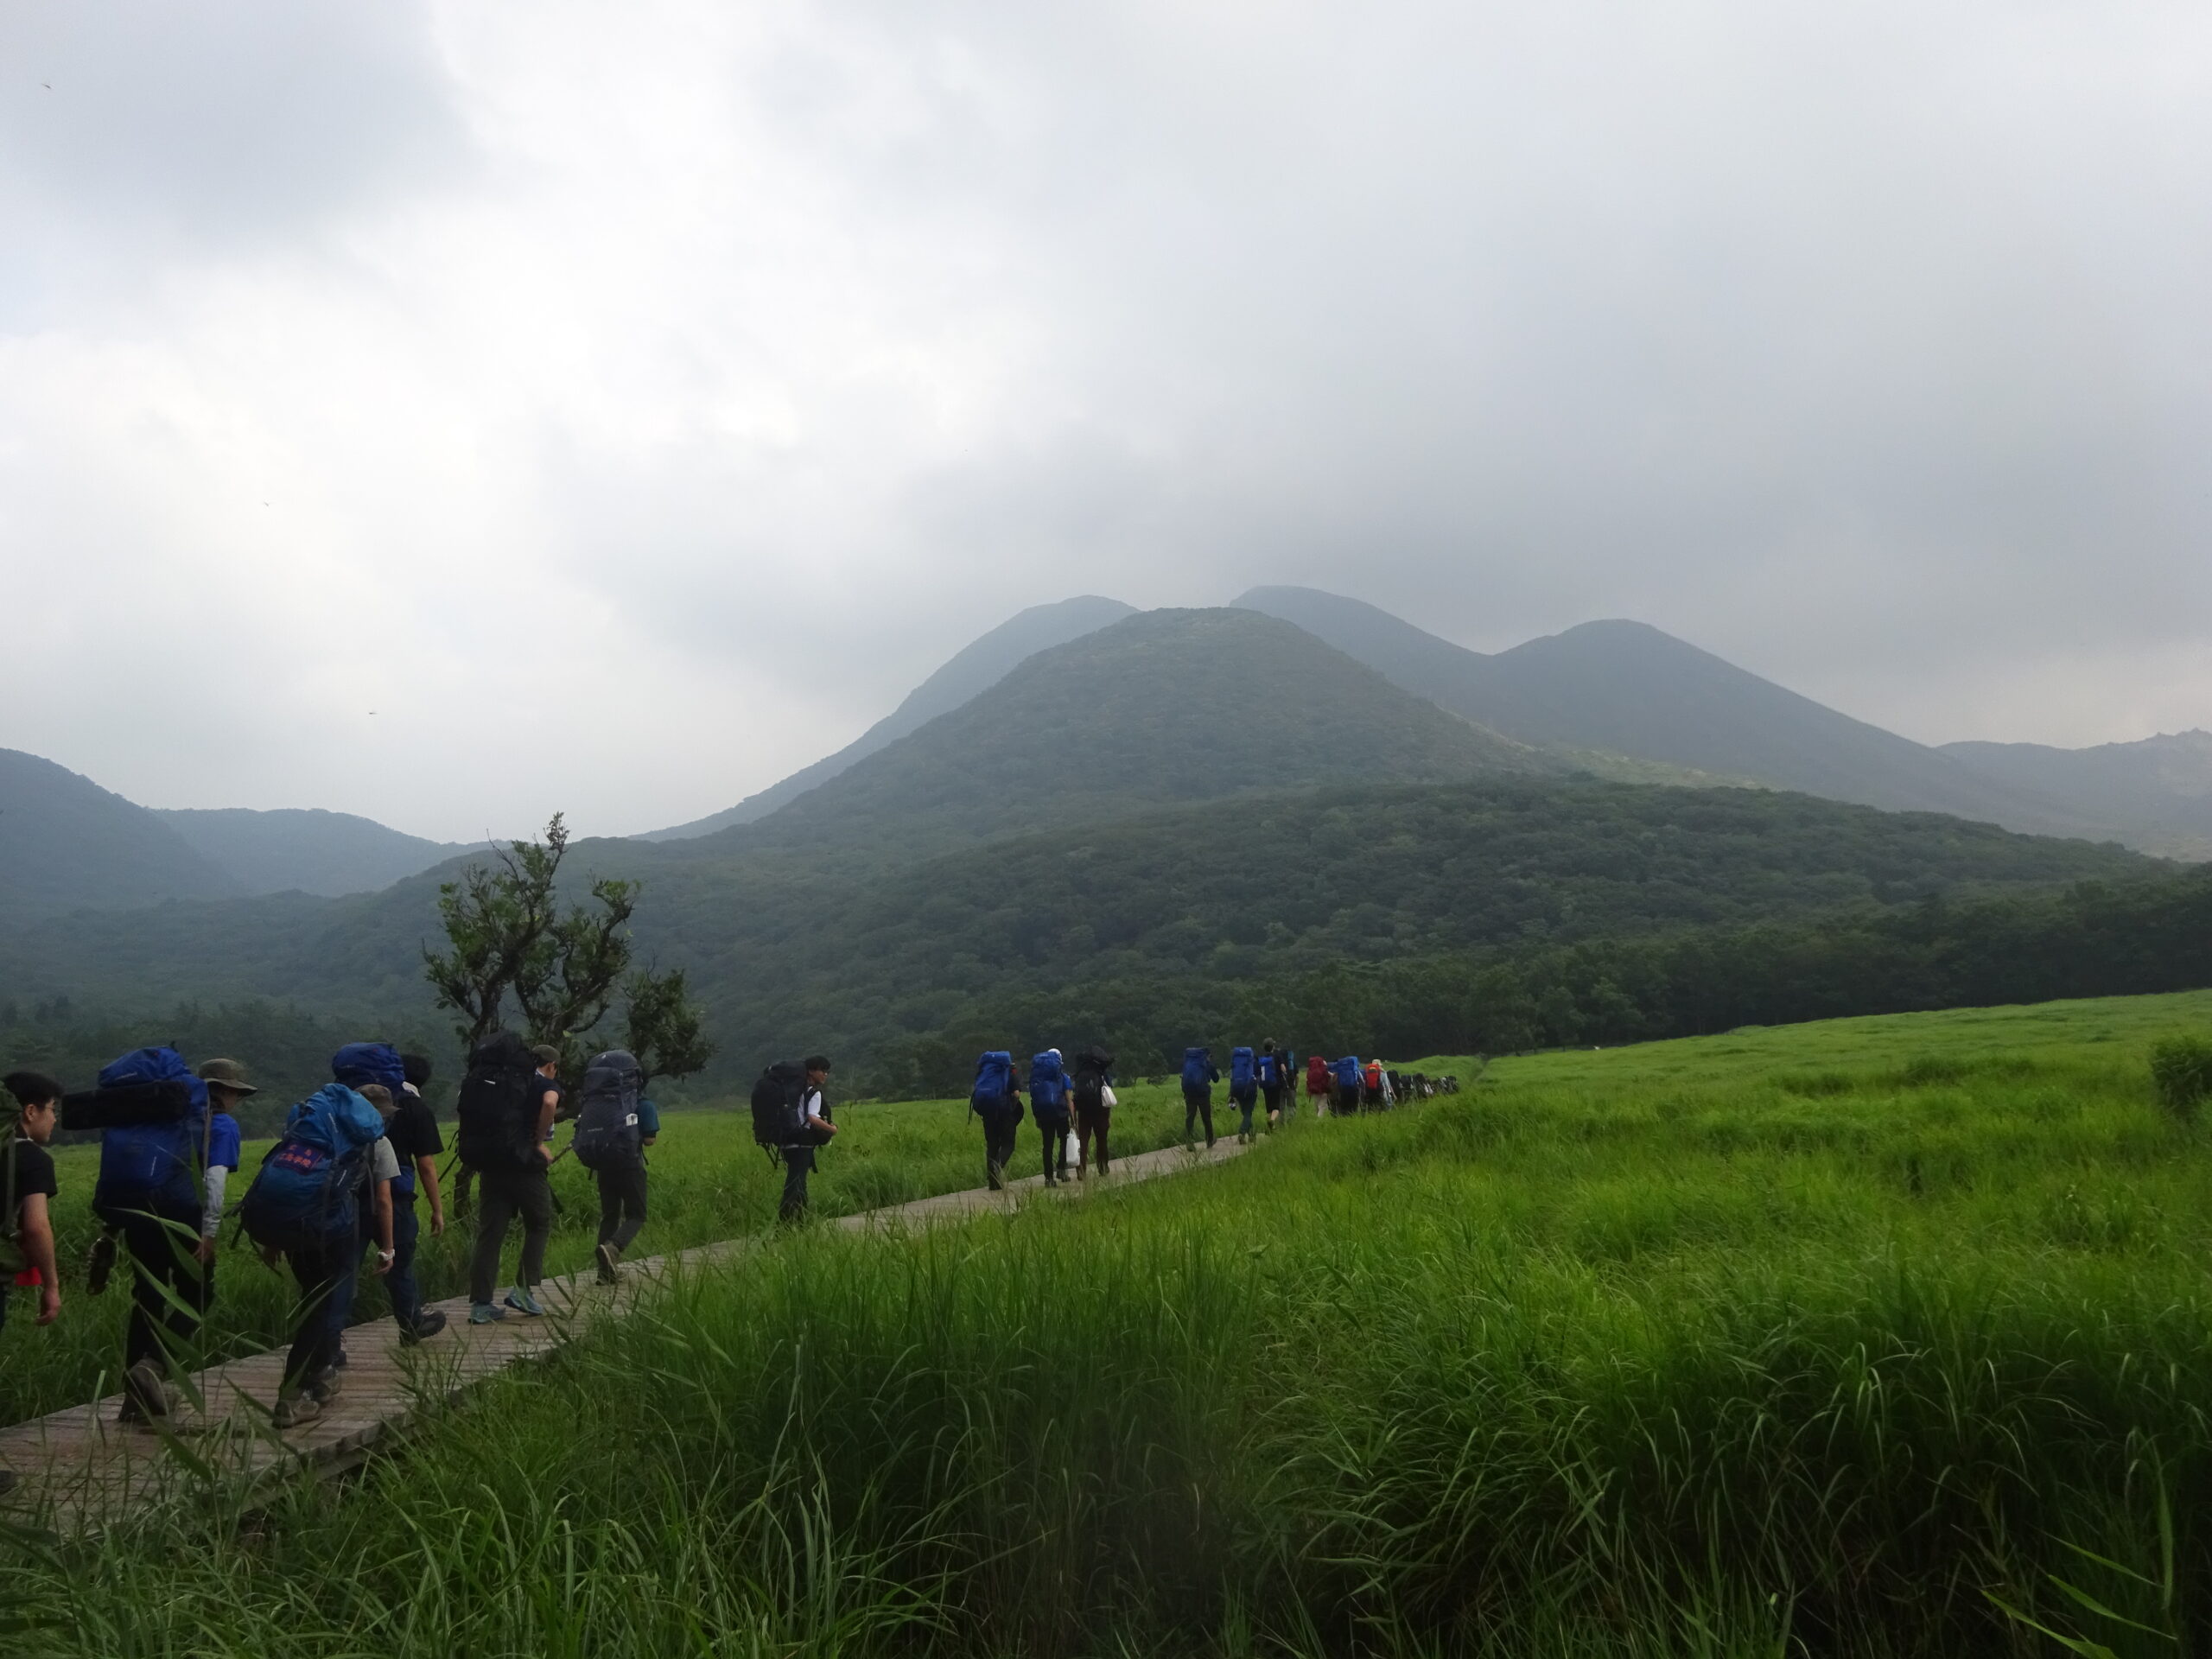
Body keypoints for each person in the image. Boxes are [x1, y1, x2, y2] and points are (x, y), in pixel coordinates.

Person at [92, 1047, 215, 1423]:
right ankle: (154, 1366)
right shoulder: (197, 1111)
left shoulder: (134, 1109)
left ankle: (135, 1401)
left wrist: (111, 1231)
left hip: (134, 1212)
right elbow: (213, 1176)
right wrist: (208, 1230)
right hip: (179, 1212)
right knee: (199, 1294)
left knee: (147, 1298)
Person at [266, 1083, 397, 1430]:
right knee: (322, 1308)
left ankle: (318, 1380)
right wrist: (388, 1248)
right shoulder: (376, 1142)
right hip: (335, 1232)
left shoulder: (304, 1133)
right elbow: (384, 1202)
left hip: (295, 1228)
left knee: (313, 1299)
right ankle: (293, 1394)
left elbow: (284, 1179)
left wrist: (272, 1239)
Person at [467, 1044, 561, 1324]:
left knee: (490, 1234)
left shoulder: (494, 1080)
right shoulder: (543, 1082)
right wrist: (538, 1142)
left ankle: (481, 1305)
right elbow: (549, 1103)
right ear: (552, 1065)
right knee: (539, 1223)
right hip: (524, 1167)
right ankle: (522, 1290)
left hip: (491, 1165)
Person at [779, 1056, 836, 1222]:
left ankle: (801, 1220)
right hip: (803, 1142)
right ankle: (785, 1223)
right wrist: (832, 1129)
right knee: (795, 1183)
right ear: (811, 1071)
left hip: (787, 1141)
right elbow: (812, 1118)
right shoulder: (813, 1093)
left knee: (799, 1182)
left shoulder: (794, 1092)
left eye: (827, 1071)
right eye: (823, 1071)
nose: (825, 1074)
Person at [970, 1051, 1023, 1190]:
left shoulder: (984, 1074)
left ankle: (993, 1183)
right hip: (1005, 1112)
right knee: (1008, 1144)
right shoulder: (1008, 1073)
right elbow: (1017, 1093)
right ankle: (998, 1165)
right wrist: (1013, 1104)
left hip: (988, 1113)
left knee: (992, 1145)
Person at [1029, 1049, 1073, 1185]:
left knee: (1047, 1146)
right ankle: (1061, 1169)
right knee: (1064, 1142)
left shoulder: (1037, 1078)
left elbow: (1035, 1098)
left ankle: (1049, 1178)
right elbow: (1069, 1099)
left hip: (1044, 1115)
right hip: (1061, 1114)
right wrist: (1073, 1119)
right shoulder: (1063, 1077)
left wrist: (1037, 1118)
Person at [1071, 1046, 1116, 1179]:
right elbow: (1109, 1090)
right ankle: (1102, 1168)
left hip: (1083, 1112)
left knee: (1083, 1141)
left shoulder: (1080, 1073)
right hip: (1101, 1111)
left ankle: (1081, 1171)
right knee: (1101, 1140)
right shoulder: (1102, 1074)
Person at [1180, 1046, 1220, 1150]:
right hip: (1203, 1094)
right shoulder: (1207, 1064)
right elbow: (1216, 1079)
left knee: (1190, 1117)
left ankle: (1189, 1142)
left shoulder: (1188, 1063)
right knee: (1206, 1118)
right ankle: (1210, 1140)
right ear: (1207, 1055)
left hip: (1189, 1094)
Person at [1228, 1046, 1260, 1144]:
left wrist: (1231, 1092)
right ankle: (1242, 1133)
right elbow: (1258, 1077)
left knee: (1245, 1113)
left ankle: (1252, 1136)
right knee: (1248, 1113)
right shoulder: (1254, 1062)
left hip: (1237, 1089)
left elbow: (1232, 1076)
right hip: (1250, 1090)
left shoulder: (1236, 1062)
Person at [1257, 1041, 1287, 1129]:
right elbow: (1283, 1069)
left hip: (1265, 1085)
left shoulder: (1262, 1058)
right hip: (1275, 1084)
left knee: (1269, 1107)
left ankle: (1271, 1128)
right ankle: (1272, 1121)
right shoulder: (1277, 1056)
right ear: (1273, 1047)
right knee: (1276, 1108)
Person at [1306, 1052, 1332, 1120]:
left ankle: (1318, 1117)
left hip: (1314, 1091)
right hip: (1324, 1091)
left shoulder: (1310, 1070)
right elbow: (1328, 1076)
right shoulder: (1323, 1069)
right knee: (1322, 1106)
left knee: (1317, 1106)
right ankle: (1319, 1121)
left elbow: (1307, 1080)